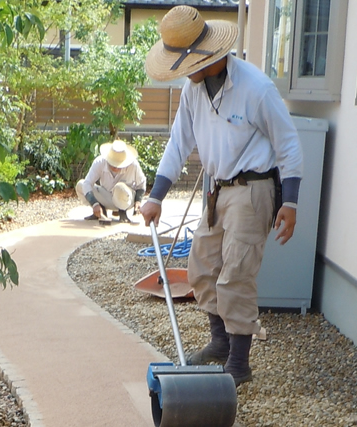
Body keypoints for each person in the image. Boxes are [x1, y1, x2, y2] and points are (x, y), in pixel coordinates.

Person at [140, 5, 303, 387]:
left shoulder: (255, 88)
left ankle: (239, 364)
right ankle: (219, 342)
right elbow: (178, 143)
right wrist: (156, 196)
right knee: (202, 269)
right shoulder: (194, 88)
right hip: (217, 190)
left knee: (236, 277)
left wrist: (291, 202)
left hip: (253, 191)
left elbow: (289, 144)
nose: (180, 73)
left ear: (206, 55)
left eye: (183, 65)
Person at [76, 139, 147, 223]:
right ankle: (101, 211)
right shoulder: (100, 162)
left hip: (127, 199)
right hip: (107, 196)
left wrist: (138, 201)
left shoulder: (133, 165)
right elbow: (87, 183)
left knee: (120, 187)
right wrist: (94, 203)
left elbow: (141, 184)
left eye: (119, 165)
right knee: (81, 184)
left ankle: (122, 212)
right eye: (113, 164)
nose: (116, 168)